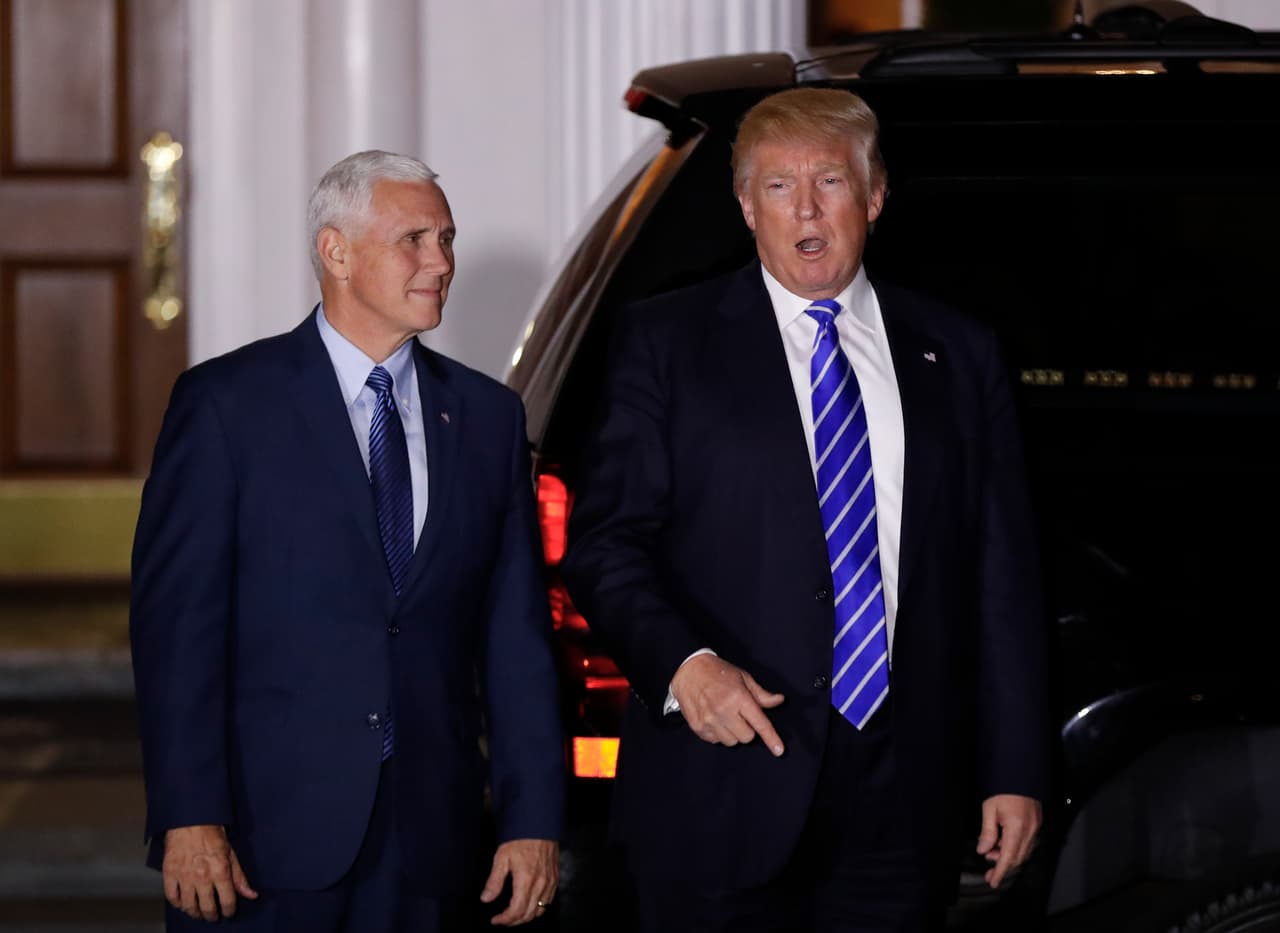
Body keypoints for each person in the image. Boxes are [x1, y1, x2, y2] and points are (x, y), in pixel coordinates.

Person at [560, 88, 1050, 931]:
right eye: (780, 188)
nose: (808, 208)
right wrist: (684, 666)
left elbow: (999, 573)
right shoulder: (667, 342)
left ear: (875, 195)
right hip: (719, 790)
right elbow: (605, 544)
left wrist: (1016, 765)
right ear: (747, 206)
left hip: (903, 797)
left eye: (829, 180)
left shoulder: (957, 352)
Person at [130, 150, 564, 932]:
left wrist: (533, 818)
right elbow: (177, 634)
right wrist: (189, 814)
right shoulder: (226, 407)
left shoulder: (488, 418)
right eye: (415, 239)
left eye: (448, 239)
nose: (441, 262)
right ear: (336, 251)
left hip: (433, 842)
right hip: (261, 843)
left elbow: (516, 642)